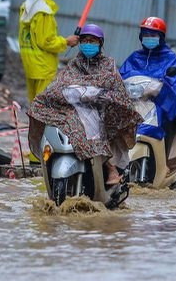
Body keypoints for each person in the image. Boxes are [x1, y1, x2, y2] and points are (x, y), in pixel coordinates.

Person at [27, 24, 142, 186]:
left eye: (92, 41)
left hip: (101, 111)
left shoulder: (108, 64)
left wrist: (98, 95)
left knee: (92, 125)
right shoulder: (74, 64)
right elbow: (61, 84)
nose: (88, 44)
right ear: (80, 43)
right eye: (85, 40)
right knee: (41, 103)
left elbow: (116, 90)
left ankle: (111, 168)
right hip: (75, 110)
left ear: (100, 44)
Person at [119, 16, 176, 140]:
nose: (149, 37)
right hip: (135, 102)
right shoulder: (135, 57)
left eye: (153, 35)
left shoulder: (169, 58)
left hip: (159, 104)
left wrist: (161, 88)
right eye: (146, 34)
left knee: (161, 120)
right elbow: (121, 77)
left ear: (161, 37)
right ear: (141, 36)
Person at [18, 0, 79, 103]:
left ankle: (33, 126)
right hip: (43, 66)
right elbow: (46, 41)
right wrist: (66, 41)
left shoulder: (30, 3)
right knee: (42, 108)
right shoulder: (43, 10)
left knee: (34, 106)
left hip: (30, 63)